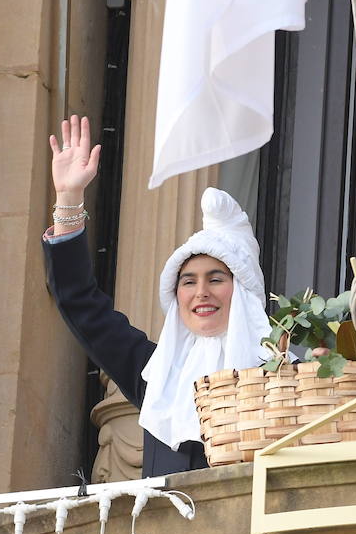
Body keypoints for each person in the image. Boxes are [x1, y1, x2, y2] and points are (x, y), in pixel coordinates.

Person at [42, 116, 270, 477]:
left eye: (216, 279)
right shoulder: (159, 376)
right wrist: (69, 198)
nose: (201, 293)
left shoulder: (281, 376)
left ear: (242, 291)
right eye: (188, 282)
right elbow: (80, 303)